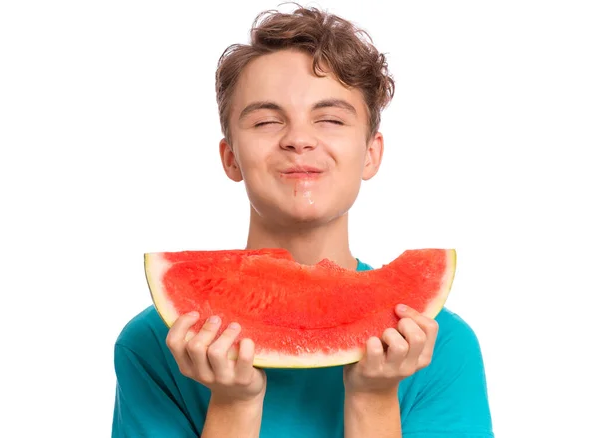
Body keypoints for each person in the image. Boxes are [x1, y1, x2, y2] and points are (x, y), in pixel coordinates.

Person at [112, 5, 494, 437]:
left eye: (330, 119)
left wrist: (374, 397)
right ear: (230, 157)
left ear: (371, 154)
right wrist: (235, 405)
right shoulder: (154, 343)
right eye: (266, 121)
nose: (298, 139)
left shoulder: (439, 346)